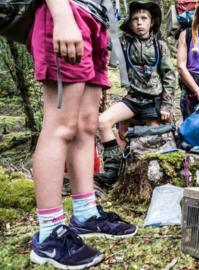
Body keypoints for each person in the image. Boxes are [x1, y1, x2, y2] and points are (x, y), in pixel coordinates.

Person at [27, 0, 136, 268]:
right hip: (68, 11)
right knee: (61, 126)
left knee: (87, 125)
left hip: (96, 21)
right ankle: (49, 233)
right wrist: (62, 15)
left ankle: (85, 214)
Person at [95, 1, 177, 186]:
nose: (139, 23)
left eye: (144, 18)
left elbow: (170, 77)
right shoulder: (123, 42)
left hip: (153, 102)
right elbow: (105, 39)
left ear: (152, 22)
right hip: (132, 100)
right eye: (135, 19)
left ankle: (155, 183)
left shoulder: (160, 46)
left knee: (155, 142)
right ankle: (113, 169)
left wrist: (166, 105)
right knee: (103, 121)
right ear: (130, 23)